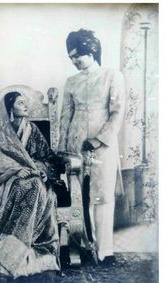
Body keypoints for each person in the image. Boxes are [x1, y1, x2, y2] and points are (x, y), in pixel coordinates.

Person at [58, 29, 125, 266]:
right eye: (71, 57)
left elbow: (117, 113)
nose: (74, 60)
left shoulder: (111, 75)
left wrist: (98, 140)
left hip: (102, 146)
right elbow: (65, 117)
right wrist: (62, 149)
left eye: (78, 55)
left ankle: (105, 251)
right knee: (78, 196)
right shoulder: (71, 82)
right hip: (76, 147)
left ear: (92, 51)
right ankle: (82, 247)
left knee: (103, 196)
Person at [0, 91, 60, 278]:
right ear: (10, 108)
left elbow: (47, 157)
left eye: (26, 103)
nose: (25, 106)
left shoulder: (32, 129)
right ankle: (9, 255)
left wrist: (42, 171)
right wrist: (16, 170)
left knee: (37, 186)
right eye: (20, 103)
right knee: (29, 186)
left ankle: (23, 253)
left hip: (34, 175)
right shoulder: (2, 131)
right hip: (9, 180)